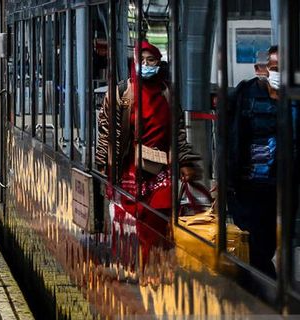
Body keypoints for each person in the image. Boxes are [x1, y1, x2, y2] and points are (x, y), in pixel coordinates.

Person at [95, 40, 201, 270]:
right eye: (141, 60)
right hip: (129, 168)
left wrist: (184, 161)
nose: (146, 65)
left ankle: (154, 267)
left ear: (159, 63)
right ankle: (134, 267)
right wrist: (103, 163)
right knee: (131, 220)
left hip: (161, 169)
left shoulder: (167, 93)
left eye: (151, 60)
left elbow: (177, 131)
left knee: (160, 217)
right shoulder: (122, 93)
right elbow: (106, 129)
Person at [227, 45, 281, 277]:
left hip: (282, 185)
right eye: (275, 68)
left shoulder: (294, 97)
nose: (279, 74)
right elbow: (229, 139)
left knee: (269, 240)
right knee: (253, 241)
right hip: (249, 184)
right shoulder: (244, 96)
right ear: (262, 69)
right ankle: (258, 286)